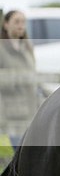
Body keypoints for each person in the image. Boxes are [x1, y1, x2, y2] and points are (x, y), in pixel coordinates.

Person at [0, 10, 38, 149]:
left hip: (32, 110)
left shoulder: (27, 47)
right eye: (17, 21)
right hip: (12, 112)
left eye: (23, 22)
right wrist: (18, 80)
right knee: (20, 154)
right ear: (6, 24)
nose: (21, 25)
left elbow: (34, 76)